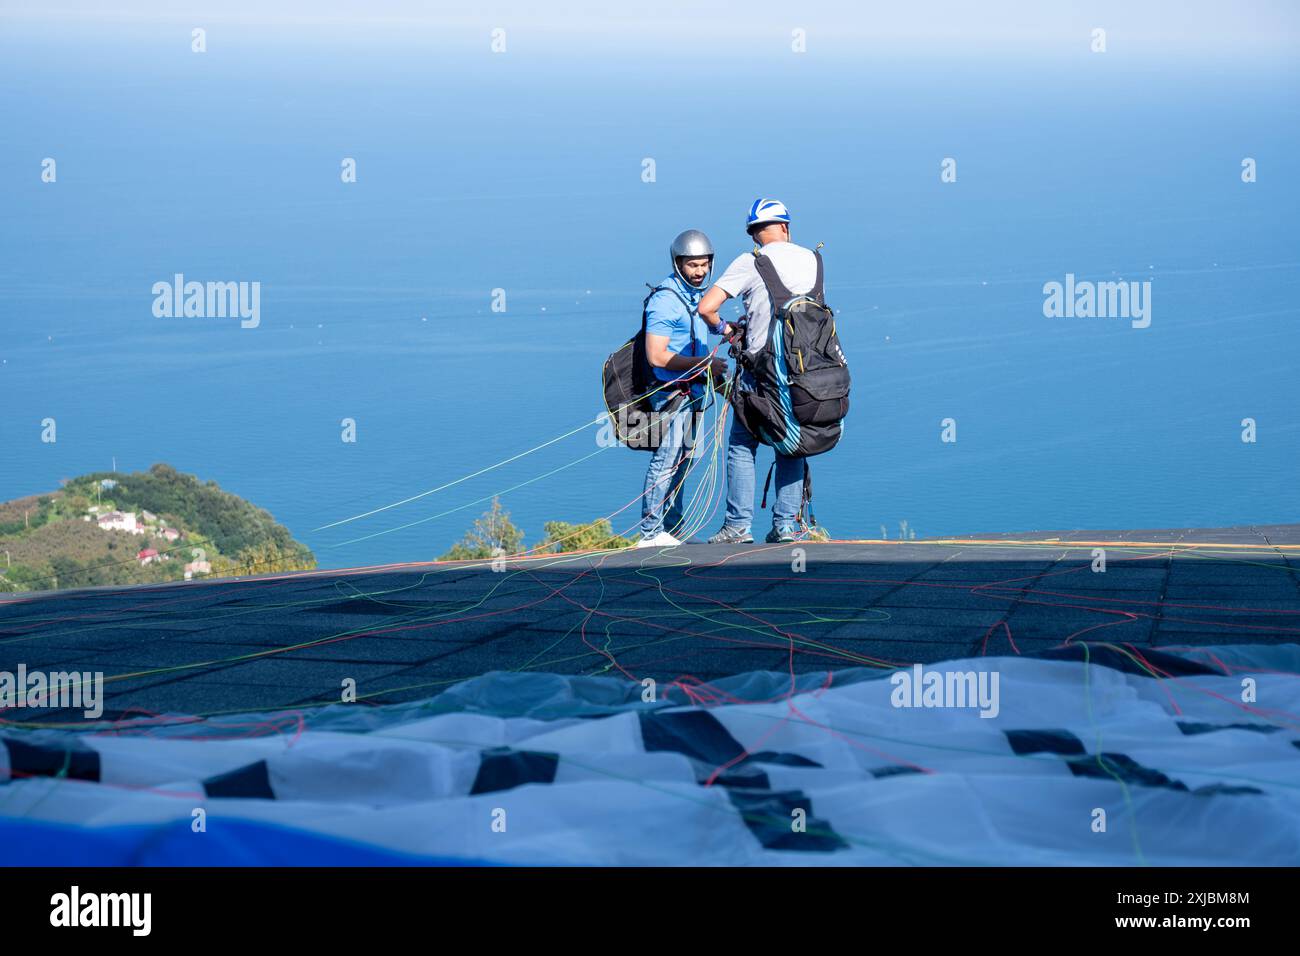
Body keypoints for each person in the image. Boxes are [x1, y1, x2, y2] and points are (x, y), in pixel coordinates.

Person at [696, 199, 818, 544]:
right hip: (804, 371)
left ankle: (738, 526)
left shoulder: (751, 261)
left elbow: (708, 307)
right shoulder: (812, 259)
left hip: (761, 374)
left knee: (741, 444)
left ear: (754, 234)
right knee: (792, 445)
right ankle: (787, 527)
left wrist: (726, 330)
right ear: (786, 227)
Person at [636, 229, 729, 548]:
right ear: (678, 264)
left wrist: (730, 330)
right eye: (693, 265)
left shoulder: (694, 297)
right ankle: (649, 533)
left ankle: (671, 530)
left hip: (693, 394)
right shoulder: (664, 302)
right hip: (670, 395)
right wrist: (706, 364)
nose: (700, 271)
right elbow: (657, 355)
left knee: (683, 460)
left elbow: (704, 326)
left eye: (704, 264)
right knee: (666, 459)